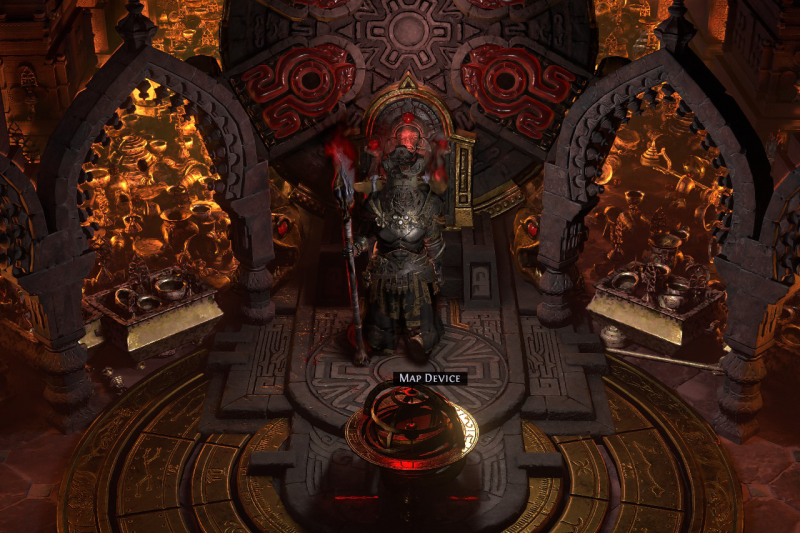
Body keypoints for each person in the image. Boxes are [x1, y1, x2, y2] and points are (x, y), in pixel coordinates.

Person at [345, 121, 446, 362]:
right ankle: (382, 338)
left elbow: (434, 242)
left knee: (420, 317)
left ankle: (419, 338)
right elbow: (366, 234)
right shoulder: (375, 203)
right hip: (384, 268)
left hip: (416, 268)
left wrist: (437, 271)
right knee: (379, 327)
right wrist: (355, 247)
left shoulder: (428, 203)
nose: (402, 190)